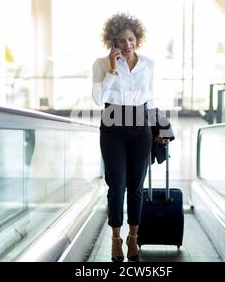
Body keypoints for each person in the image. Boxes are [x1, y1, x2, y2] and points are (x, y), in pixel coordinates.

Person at [92, 13, 164, 262]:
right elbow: (99, 100)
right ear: (113, 41)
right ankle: (115, 239)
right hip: (112, 127)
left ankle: (133, 238)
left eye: (131, 39)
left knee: (135, 187)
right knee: (117, 185)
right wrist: (112, 70)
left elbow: (151, 99)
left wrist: (161, 131)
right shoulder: (102, 64)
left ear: (137, 38)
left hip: (140, 127)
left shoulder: (148, 64)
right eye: (121, 41)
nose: (127, 45)